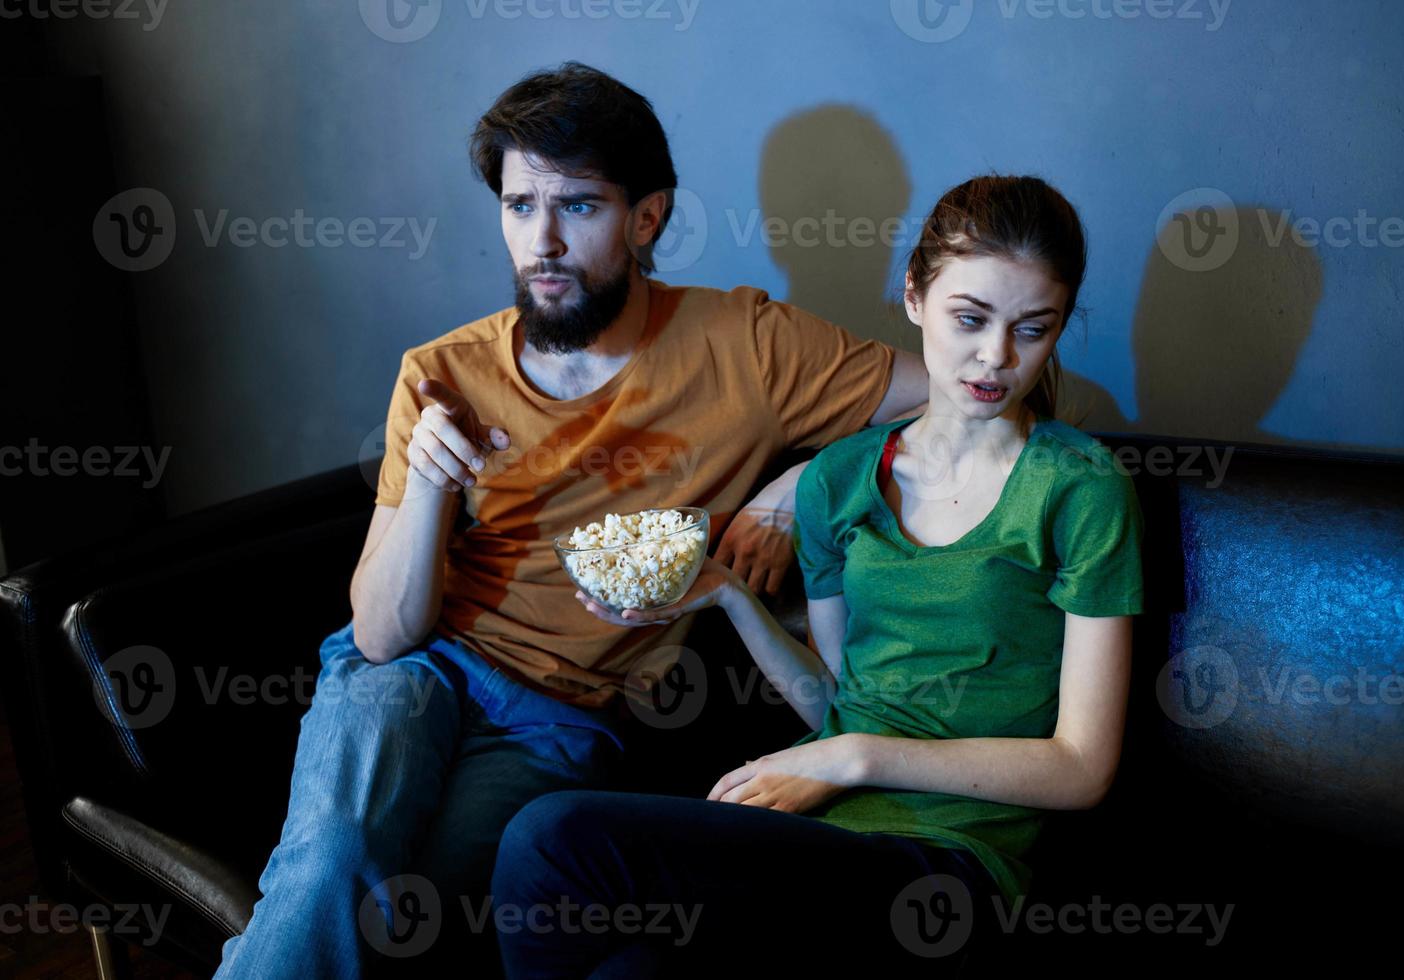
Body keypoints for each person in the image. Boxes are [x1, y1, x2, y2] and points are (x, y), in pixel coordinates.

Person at [211, 62, 929, 979]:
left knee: (417, 921)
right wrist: (431, 481)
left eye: (578, 207)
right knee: (331, 870)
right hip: (421, 667)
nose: (541, 241)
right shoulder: (441, 375)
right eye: (518, 207)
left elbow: (969, 396)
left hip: (560, 717)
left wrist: (794, 485)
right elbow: (386, 635)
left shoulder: (749, 346)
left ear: (647, 218)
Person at [489, 174, 1146, 977]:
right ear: (913, 297)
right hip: (819, 837)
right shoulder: (839, 479)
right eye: (968, 319)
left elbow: (1082, 769)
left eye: (1033, 329)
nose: (996, 358)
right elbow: (838, 701)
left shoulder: (1080, 487)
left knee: (550, 837)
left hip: (947, 867)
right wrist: (727, 595)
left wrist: (849, 759)